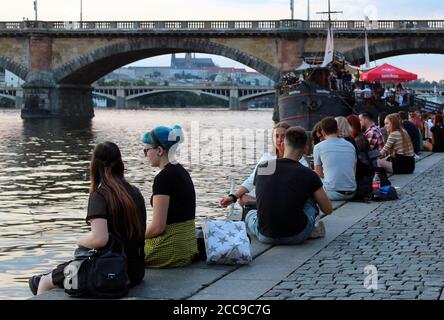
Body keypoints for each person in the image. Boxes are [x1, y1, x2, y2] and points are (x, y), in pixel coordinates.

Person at [28, 142, 147, 295]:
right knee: (64, 273)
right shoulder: (135, 192)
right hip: (136, 272)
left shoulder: (100, 195)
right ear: (120, 163)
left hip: (111, 273)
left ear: (94, 164)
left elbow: (99, 239)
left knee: (44, 281)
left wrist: (81, 240)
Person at [245, 127, 333, 245]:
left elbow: (262, 197)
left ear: (282, 145)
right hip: (297, 235)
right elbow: (328, 209)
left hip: (265, 235)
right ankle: (311, 228)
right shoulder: (309, 174)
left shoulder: (263, 167)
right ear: (306, 149)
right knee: (310, 202)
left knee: (250, 214)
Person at [142, 125, 198, 268]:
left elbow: (158, 227)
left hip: (171, 249)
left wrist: (134, 237)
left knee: (121, 253)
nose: (145, 155)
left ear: (159, 150)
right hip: (188, 247)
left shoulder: (163, 178)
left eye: (146, 150)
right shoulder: (183, 172)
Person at [220, 122, 309, 210]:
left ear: (289, 139)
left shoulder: (300, 160)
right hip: (270, 198)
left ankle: (265, 207)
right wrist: (233, 197)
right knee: (242, 198)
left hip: (288, 200)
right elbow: (252, 181)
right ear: (272, 139)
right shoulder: (268, 158)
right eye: (276, 136)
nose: (279, 139)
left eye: (283, 136)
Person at [313, 117, 357, 201]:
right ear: (338, 129)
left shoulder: (318, 147)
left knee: (311, 175)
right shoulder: (350, 145)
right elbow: (353, 170)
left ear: (322, 132)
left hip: (332, 193)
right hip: (352, 192)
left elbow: (319, 175)